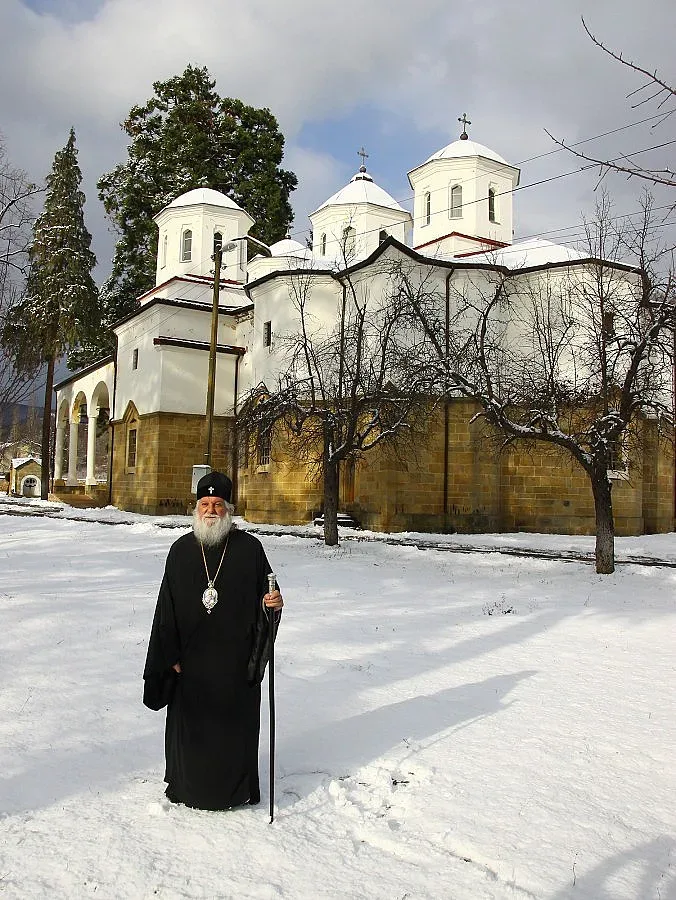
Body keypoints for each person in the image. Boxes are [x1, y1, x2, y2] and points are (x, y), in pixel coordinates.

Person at [143, 471, 283, 810]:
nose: (210, 510)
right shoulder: (180, 551)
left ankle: (234, 790)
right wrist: (170, 654)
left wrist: (273, 606)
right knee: (190, 734)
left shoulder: (250, 549)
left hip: (234, 664)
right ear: (196, 508)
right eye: (204, 504)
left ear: (228, 509)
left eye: (217, 504)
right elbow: (166, 608)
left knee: (233, 733)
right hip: (190, 665)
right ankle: (185, 786)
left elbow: (269, 595)